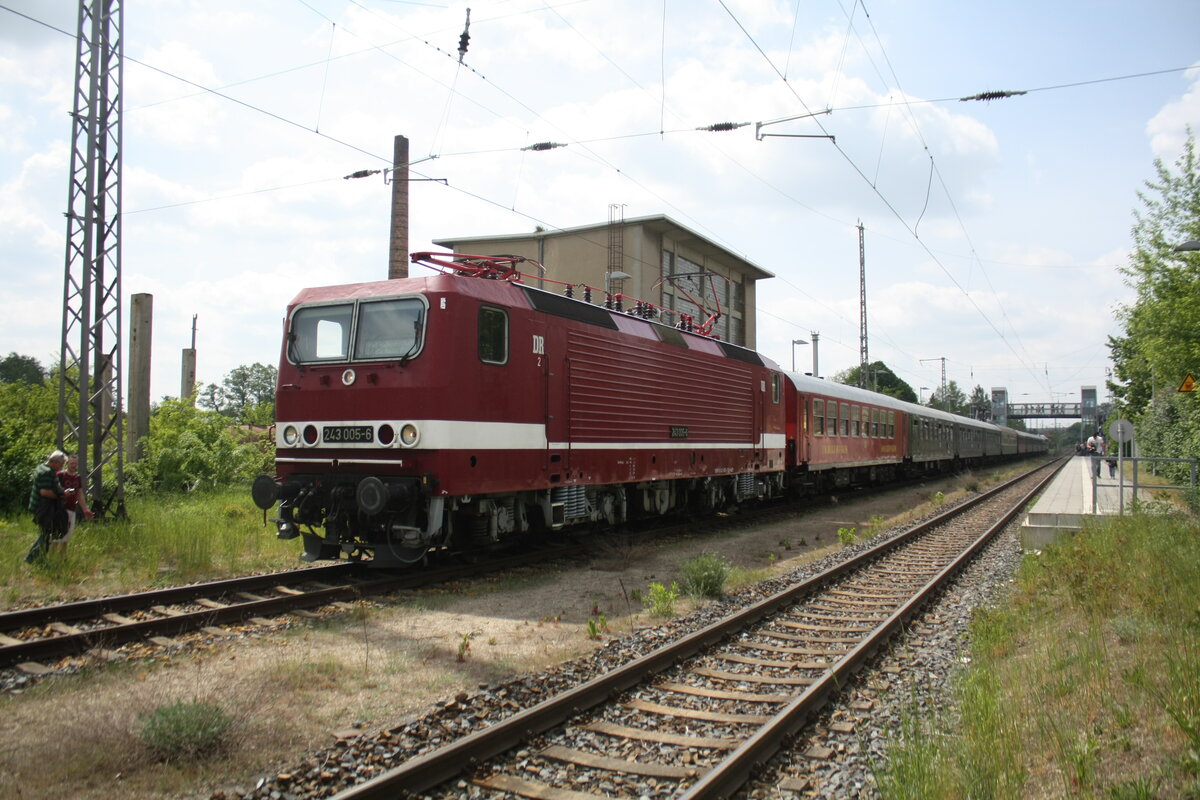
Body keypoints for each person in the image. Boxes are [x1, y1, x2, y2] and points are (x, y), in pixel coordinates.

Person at [26, 450, 67, 564]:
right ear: (55, 462)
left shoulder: (41, 467)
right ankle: (35, 559)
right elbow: (45, 492)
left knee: (45, 534)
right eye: (61, 464)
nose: (61, 467)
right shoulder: (47, 473)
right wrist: (62, 494)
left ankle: (35, 558)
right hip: (43, 508)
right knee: (46, 534)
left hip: (41, 507)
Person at [55, 454, 93, 556]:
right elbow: (53, 491)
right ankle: (50, 559)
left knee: (66, 536)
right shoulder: (60, 475)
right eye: (72, 463)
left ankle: (62, 558)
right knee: (56, 536)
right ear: (67, 463)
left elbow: (79, 494)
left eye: (75, 463)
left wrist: (85, 509)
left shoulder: (77, 477)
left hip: (72, 509)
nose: (73, 465)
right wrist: (63, 494)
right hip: (60, 510)